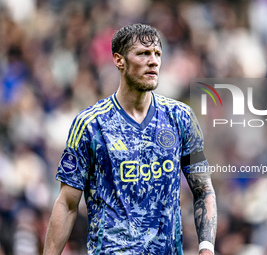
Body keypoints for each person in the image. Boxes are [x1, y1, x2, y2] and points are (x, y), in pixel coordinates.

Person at [43, 23, 217, 255]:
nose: (153, 61)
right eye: (143, 54)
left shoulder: (181, 118)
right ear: (119, 60)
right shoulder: (90, 124)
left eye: (157, 54)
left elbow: (203, 189)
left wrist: (206, 248)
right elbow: (67, 203)